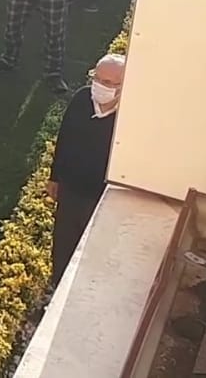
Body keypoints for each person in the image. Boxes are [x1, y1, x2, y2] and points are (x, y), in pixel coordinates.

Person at [48, 54, 126, 284]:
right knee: (63, 244)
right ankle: (57, 285)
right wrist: (55, 177)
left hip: (101, 196)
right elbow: (65, 137)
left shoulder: (128, 115)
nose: (100, 86)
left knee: (95, 250)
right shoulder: (82, 98)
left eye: (109, 83)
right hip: (71, 189)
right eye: (97, 78)